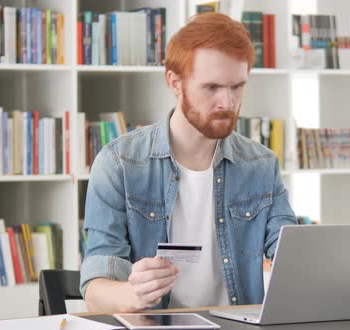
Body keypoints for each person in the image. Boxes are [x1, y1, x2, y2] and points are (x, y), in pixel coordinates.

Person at [80, 12, 297, 312]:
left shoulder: (261, 165)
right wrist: (134, 294)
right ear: (175, 82)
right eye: (212, 87)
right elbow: (94, 291)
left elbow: (293, 259)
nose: (228, 102)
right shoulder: (119, 164)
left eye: (237, 86)